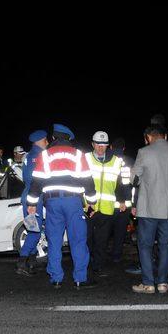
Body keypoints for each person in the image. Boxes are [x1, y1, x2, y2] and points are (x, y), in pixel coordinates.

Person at [26, 123, 98, 289]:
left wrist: (31, 203)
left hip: (52, 203)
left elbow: (36, 182)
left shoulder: (45, 156)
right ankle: (80, 278)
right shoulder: (78, 154)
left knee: (54, 240)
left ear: (53, 138)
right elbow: (88, 181)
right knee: (78, 240)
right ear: (69, 139)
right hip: (73, 202)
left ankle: (56, 278)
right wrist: (92, 203)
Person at [130, 125, 168, 294]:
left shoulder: (144, 152)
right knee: (165, 245)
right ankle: (162, 282)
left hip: (149, 207)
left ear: (149, 137)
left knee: (145, 245)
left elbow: (134, 178)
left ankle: (148, 283)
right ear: (164, 135)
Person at [85, 131, 129, 275]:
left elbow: (122, 182)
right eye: (98, 144)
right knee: (87, 238)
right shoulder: (85, 159)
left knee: (102, 239)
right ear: (92, 144)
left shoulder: (117, 161)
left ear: (108, 146)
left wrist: (122, 199)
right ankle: (87, 262)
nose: (100, 148)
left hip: (107, 207)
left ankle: (98, 265)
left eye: (103, 145)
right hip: (88, 206)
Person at [16, 130, 48, 276]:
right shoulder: (38, 156)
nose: (47, 142)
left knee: (32, 229)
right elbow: (36, 180)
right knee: (35, 231)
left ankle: (31, 262)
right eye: (45, 140)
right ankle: (21, 262)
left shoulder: (29, 155)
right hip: (34, 199)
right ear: (39, 141)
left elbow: (25, 178)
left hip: (28, 196)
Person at [110, 137, 134, 263]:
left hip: (108, 203)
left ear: (111, 147)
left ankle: (99, 256)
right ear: (124, 148)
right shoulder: (130, 161)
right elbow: (133, 183)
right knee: (120, 231)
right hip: (125, 204)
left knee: (104, 231)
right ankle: (117, 255)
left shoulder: (107, 160)